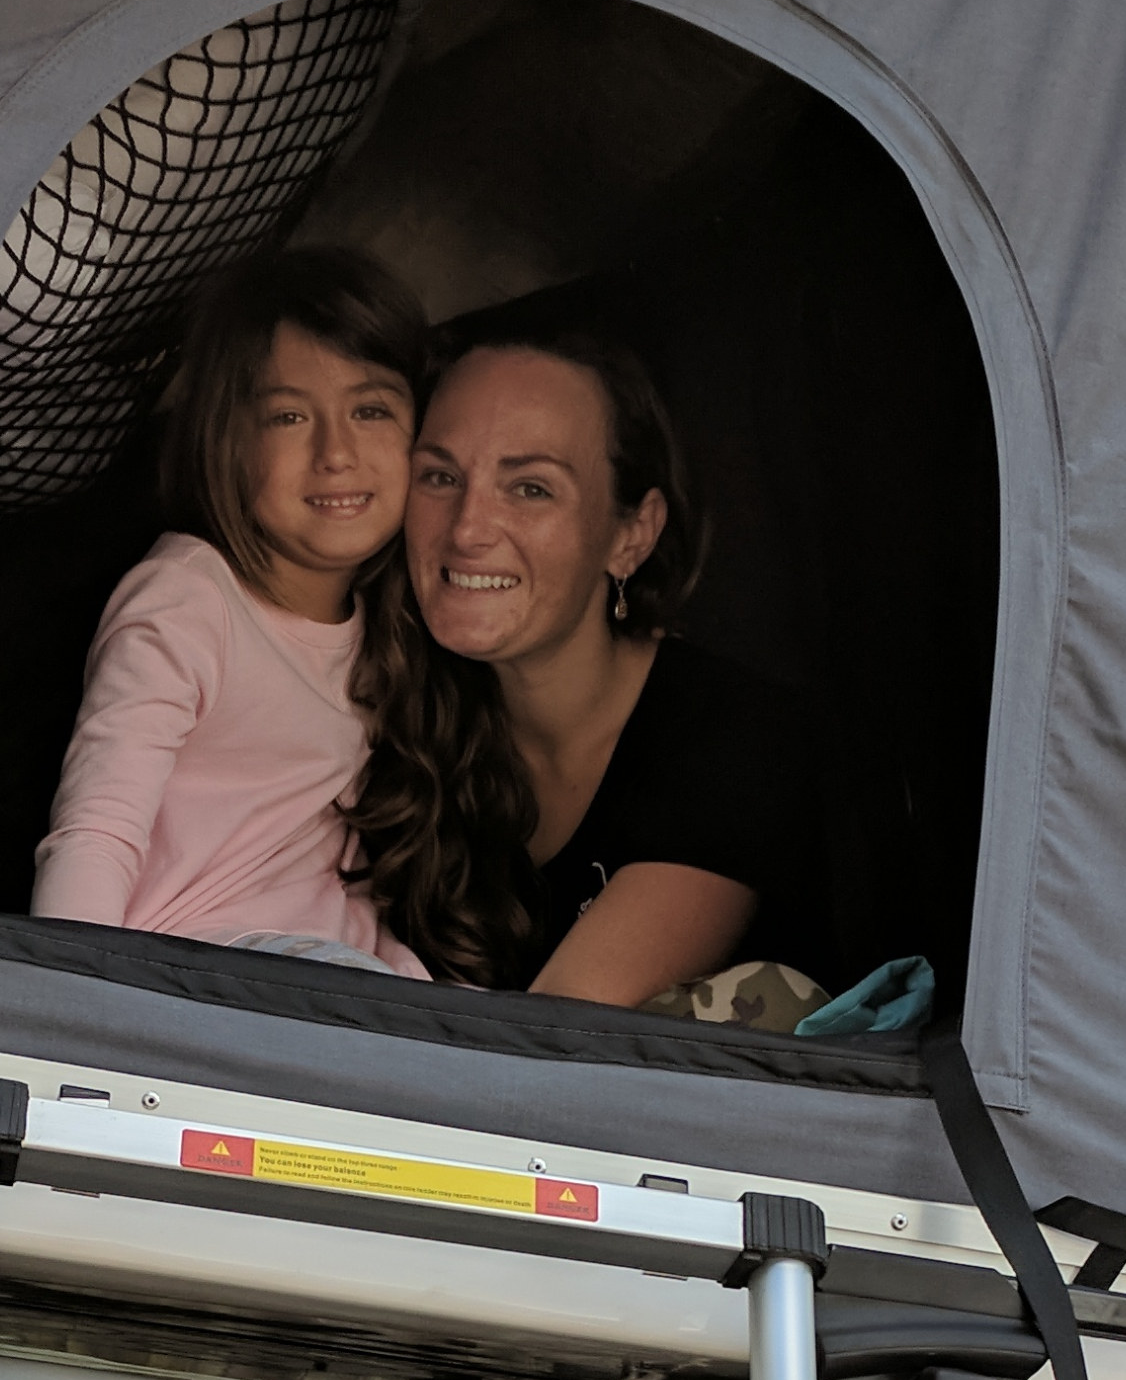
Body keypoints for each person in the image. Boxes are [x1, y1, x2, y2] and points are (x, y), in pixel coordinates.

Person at [351, 324, 827, 1003]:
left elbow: (556, 1037)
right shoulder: (391, 717)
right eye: (440, 476)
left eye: (531, 489)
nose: (466, 528)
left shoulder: (738, 741)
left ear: (632, 535)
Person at [32, 247, 433, 973]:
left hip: (331, 962)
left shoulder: (393, 623)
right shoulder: (189, 599)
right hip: (192, 964)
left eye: (371, 410)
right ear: (227, 439)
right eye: (288, 416)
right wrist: (66, 1002)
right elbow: (97, 831)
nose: (336, 452)